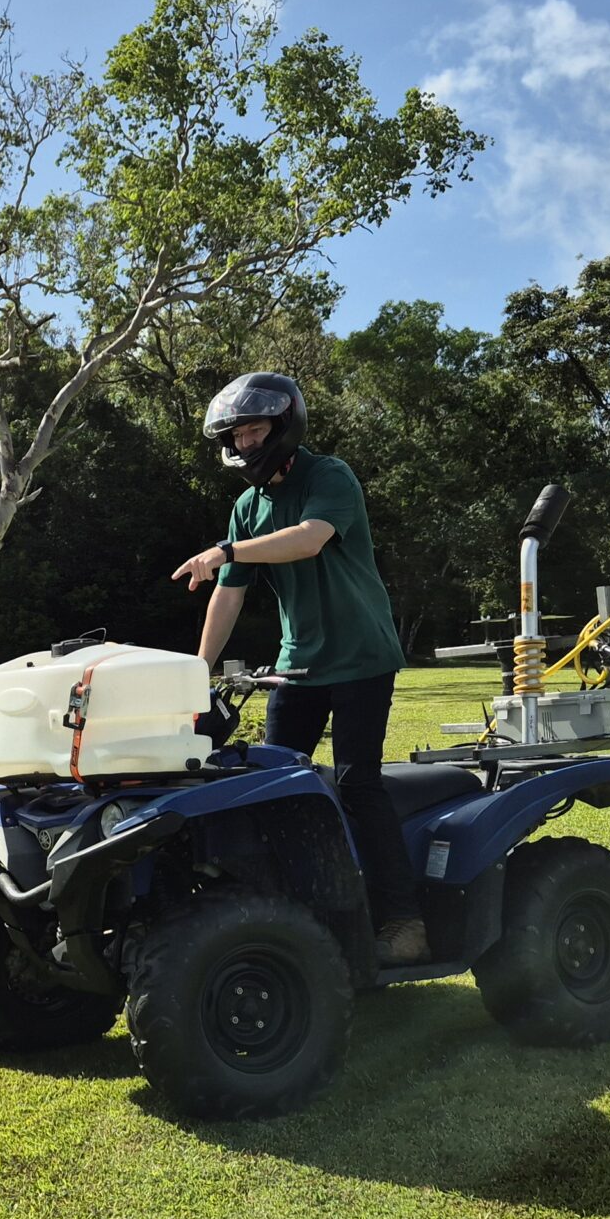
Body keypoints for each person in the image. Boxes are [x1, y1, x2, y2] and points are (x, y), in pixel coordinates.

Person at [170, 370, 429, 965]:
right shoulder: (246, 506)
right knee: (272, 787)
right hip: (298, 666)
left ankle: (403, 921)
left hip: (362, 656)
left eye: (255, 430)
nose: (245, 445)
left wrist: (227, 551)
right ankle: (297, 916)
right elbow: (228, 594)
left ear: (284, 427)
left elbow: (309, 539)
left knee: (356, 784)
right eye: (236, 436)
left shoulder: (328, 476)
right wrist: (194, 673)